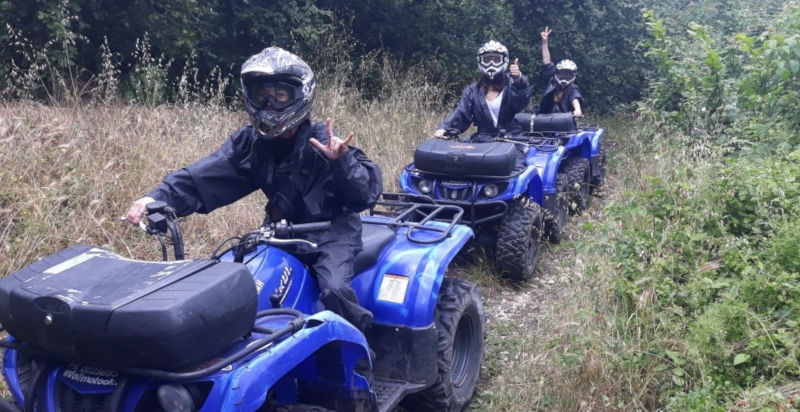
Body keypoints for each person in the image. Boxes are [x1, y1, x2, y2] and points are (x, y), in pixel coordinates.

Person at [124, 46, 382, 332]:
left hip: (332, 232)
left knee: (333, 288)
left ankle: (359, 346)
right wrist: (156, 198)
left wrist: (341, 162)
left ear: (300, 95)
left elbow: (366, 193)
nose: (269, 103)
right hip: (280, 231)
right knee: (235, 275)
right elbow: (203, 176)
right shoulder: (250, 144)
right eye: (262, 94)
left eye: (279, 94)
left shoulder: (323, 142)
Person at [434, 40, 531, 141]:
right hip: (483, 139)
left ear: (504, 60)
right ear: (480, 61)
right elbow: (461, 112)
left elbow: (522, 99)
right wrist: (445, 128)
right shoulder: (473, 90)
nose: (491, 63)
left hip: (512, 138)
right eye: (487, 59)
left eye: (496, 59)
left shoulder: (513, 84)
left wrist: (519, 80)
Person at [537, 26, 583, 117]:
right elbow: (546, 62)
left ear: (573, 75)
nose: (564, 77)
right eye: (562, 73)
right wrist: (545, 42)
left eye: (568, 74)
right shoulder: (550, 81)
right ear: (557, 73)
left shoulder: (572, 88)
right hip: (543, 120)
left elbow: (575, 99)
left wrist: (578, 110)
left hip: (563, 122)